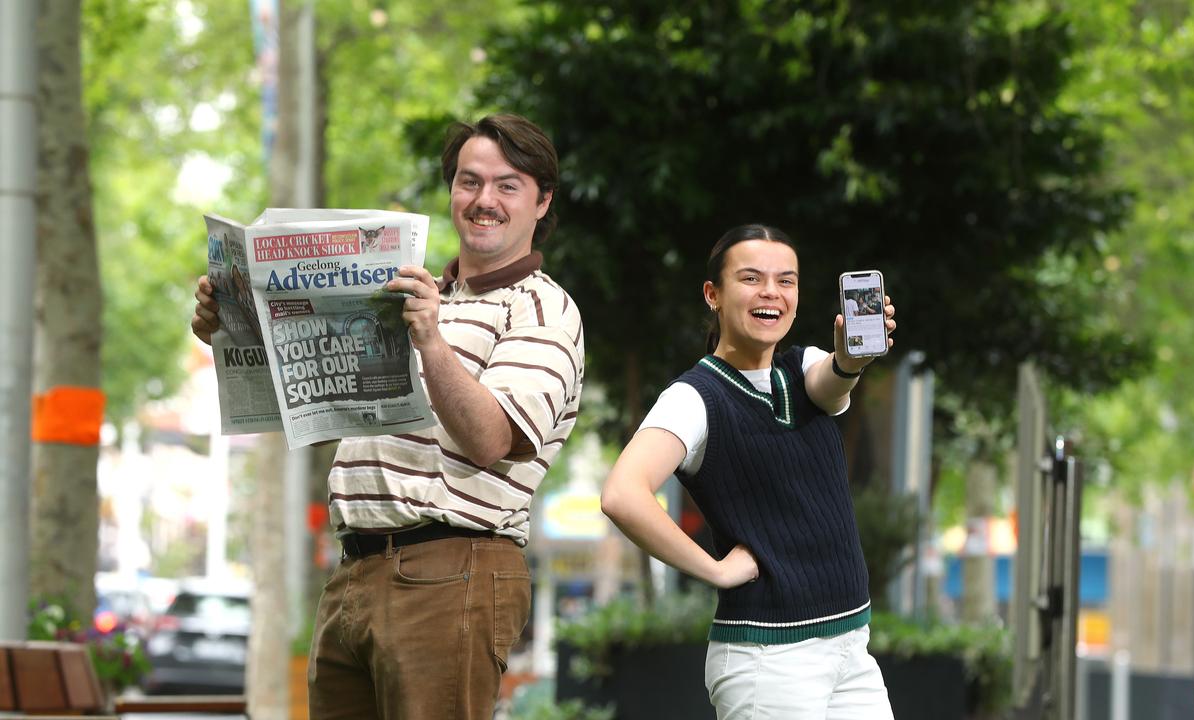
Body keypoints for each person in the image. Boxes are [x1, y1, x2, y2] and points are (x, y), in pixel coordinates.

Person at [190, 114, 585, 720]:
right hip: (354, 568)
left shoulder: (543, 307)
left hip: (452, 567)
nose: (484, 200)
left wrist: (429, 340)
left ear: (543, 202)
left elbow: (490, 439)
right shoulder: (411, 290)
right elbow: (309, 397)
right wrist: (232, 327)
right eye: (468, 181)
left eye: (508, 186)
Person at [600, 224, 896, 719]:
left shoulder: (803, 368)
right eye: (752, 278)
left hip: (851, 648)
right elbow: (622, 495)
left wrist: (850, 358)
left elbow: (831, 382)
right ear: (713, 295)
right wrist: (712, 570)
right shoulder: (694, 398)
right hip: (769, 662)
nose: (771, 293)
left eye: (787, 280)